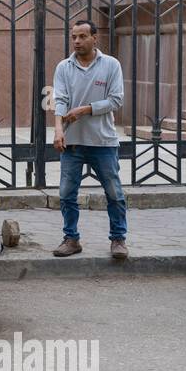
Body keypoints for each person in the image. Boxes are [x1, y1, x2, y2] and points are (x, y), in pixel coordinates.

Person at [52, 19, 128, 260]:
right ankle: (71, 239)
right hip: (72, 142)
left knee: (114, 193)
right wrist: (58, 129)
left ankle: (118, 239)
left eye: (83, 36)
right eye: (74, 37)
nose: (77, 41)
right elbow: (60, 100)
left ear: (95, 38)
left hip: (103, 142)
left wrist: (84, 110)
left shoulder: (111, 65)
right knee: (66, 194)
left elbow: (116, 100)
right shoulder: (63, 67)